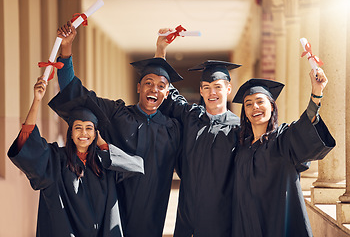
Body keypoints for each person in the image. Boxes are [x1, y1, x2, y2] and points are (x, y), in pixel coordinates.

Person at [48, 22, 183, 237]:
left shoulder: (172, 129)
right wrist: (66, 49)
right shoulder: (116, 114)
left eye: (160, 86)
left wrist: (161, 51)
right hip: (114, 206)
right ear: (138, 87)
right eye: (148, 83)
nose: (153, 89)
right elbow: (74, 92)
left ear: (167, 93)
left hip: (153, 213)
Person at [8, 77, 144, 237]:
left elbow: (137, 166)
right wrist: (36, 101)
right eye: (78, 127)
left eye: (89, 128)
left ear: (95, 134)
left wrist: (103, 146)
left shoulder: (105, 162)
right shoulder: (55, 159)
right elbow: (27, 141)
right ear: (70, 133)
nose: (84, 133)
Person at [156, 28, 241, 236]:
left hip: (221, 220)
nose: (212, 92)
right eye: (206, 87)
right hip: (187, 214)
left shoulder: (239, 129)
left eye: (218, 87)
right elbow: (167, 93)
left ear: (228, 89)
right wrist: (161, 50)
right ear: (201, 91)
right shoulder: (191, 117)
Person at [231, 69, 336, 237]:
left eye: (260, 101)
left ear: (272, 106)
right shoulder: (242, 148)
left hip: (278, 224)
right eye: (248, 104)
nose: (254, 107)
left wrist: (316, 95)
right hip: (246, 226)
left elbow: (304, 125)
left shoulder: (283, 139)